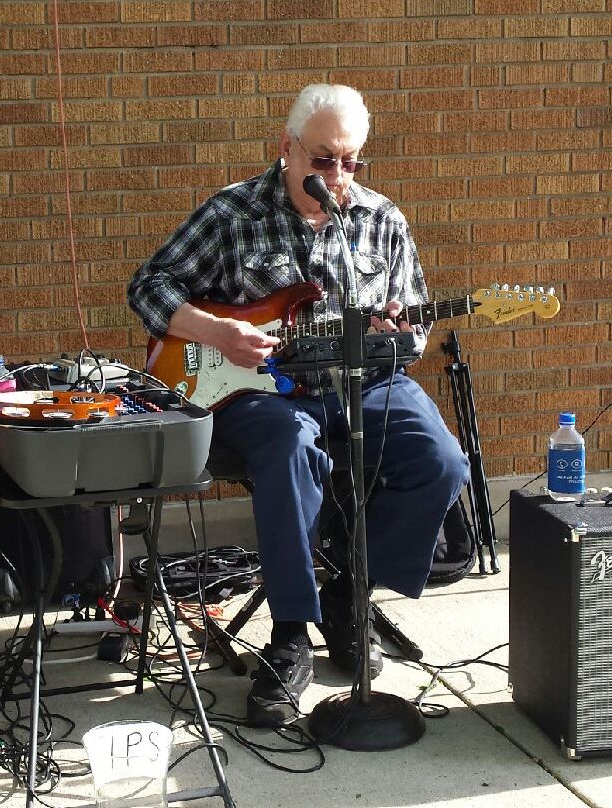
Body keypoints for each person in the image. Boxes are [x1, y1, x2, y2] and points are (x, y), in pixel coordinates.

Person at [127, 84, 469, 727]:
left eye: (350, 162)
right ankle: (290, 635)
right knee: (289, 450)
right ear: (285, 149)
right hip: (261, 387)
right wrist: (217, 331)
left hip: (364, 382)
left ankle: (350, 592)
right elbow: (149, 285)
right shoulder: (233, 213)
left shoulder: (379, 219)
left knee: (441, 462)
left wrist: (403, 333)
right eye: (322, 160)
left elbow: (413, 322)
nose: (336, 176)